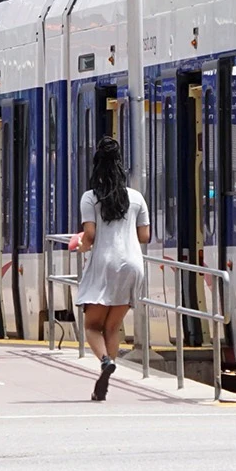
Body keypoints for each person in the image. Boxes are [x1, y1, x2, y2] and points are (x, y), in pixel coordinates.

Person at [77, 137, 151, 402]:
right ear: (121, 166)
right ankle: (104, 380)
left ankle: (105, 361)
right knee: (112, 327)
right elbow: (144, 236)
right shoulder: (136, 198)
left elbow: (90, 234)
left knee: (92, 326)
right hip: (133, 265)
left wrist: (82, 245)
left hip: (105, 264)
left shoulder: (90, 198)